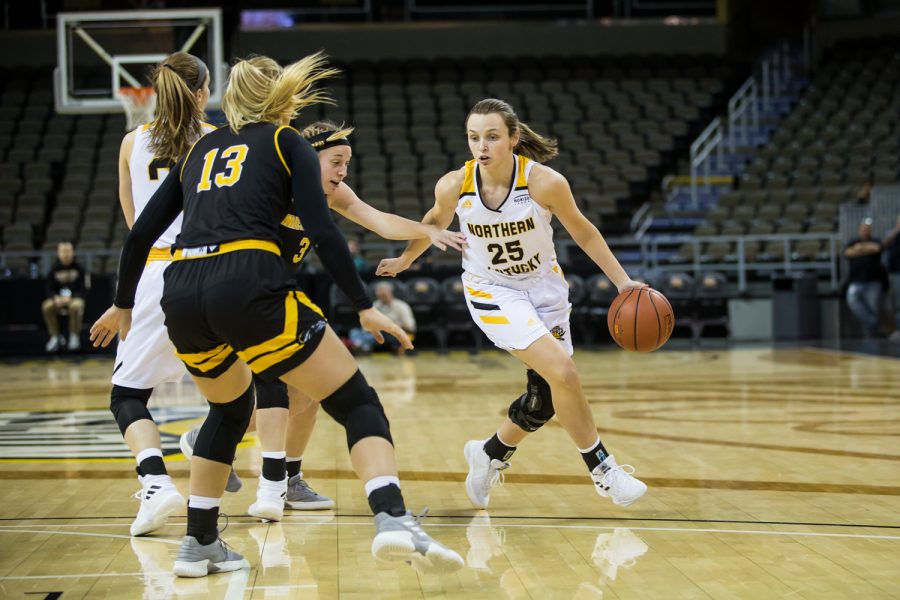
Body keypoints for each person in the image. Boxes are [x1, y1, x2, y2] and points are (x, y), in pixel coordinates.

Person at [91, 53, 463, 577]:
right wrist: (363, 307)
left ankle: (200, 545)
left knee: (227, 410)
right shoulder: (287, 141)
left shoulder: (199, 147)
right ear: (282, 100)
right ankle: (393, 517)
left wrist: (124, 302)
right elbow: (326, 230)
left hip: (180, 292)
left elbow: (139, 234)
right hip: (247, 281)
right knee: (356, 400)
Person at [181, 120, 464, 521]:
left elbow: (377, 219)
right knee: (275, 383)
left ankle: (226, 448)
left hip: (272, 295)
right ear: (305, 156)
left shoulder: (332, 193)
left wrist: (426, 232)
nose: (342, 171)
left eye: (347, 162)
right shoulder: (270, 182)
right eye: (335, 161)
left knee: (308, 395)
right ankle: (271, 484)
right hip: (240, 293)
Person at [378, 98, 648, 510]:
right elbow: (432, 223)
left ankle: (489, 454)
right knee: (564, 372)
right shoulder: (455, 184)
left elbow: (585, 232)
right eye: (473, 137)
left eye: (491, 137)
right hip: (492, 291)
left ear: (513, 139)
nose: (481, 146)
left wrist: (623, 282)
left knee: (544, 398)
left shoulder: (544, 183)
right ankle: (603, 470)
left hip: (545, 289)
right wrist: (405, 260)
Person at [110, 52, 221, 538]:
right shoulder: (220, 140)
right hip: (218, 271)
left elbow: (136, 225)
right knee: (243, 391)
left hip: (157, 274)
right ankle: (232, 464)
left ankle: (156, 482)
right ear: (202, 93)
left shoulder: (132, 141)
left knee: (128, 395)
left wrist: (124, 298)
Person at [42, 241, 87, 352]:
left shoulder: (80, 270)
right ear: (58, 253)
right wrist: (55, 298)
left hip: (74, 299)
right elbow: (49, 289)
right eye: (63, 251)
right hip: (58, 300)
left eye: (68, 251)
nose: (66, 254)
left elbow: (84, 288)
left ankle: (74, 336)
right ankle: (55, 336)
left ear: (73, 252)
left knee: (76, 306)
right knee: (46, 306)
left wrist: (72, 298)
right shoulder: (53, 270)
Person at [844, 218, 885, 337]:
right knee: (852, 300)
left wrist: (860, 248)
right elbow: (847, 252)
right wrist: (867, 249)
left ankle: (872, 334)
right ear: (859, 230)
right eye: (863, 229)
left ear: (870, 231)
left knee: (873, 308)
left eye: (867, 229)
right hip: (856, 281)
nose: (865, 231)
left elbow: (877, 248)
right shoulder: (853, 241)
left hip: (873, 281)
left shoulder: (876, 240)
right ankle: (872, 325)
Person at [350, 282, 417, 355]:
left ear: (390, 293)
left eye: (384, 295)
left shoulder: (402, 306)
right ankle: (362, 346)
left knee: (381, 334)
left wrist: (394, 325)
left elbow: (410, 326)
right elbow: (365, 327)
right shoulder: (374, 305)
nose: (382, 298)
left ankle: (363, 346)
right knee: (354, 332)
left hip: (393, 333)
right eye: (379, 296)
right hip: (376, 332)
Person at [882, 214, 900, 341]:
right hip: (896, 273)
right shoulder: (892, 233)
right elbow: (883, 244)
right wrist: (897, 230)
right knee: (897, 304)